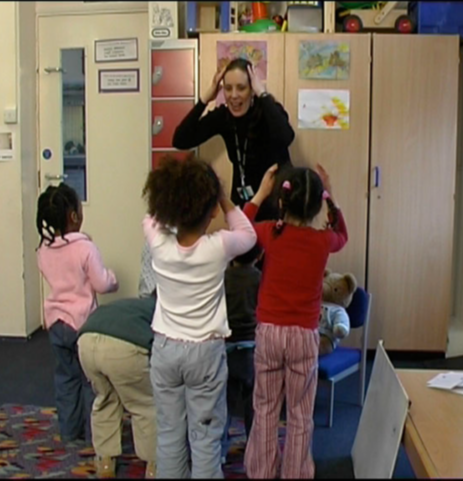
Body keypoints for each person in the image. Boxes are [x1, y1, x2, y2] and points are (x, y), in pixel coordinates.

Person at [141, 154, 257, 478]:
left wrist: (174, 206)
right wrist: (222, 195)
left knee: (169, 434)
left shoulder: (159, 244)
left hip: (165, 348)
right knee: (205, 439)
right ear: (211, 212)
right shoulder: (217, 246)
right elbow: (249, 235)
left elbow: (150, 219)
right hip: (205, 352)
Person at [242, 163, 348, 479]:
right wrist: (333, 196)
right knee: (301, 414)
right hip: (304, 337)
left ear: (281, 201)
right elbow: (342, 234)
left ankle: (261, 472)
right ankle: (296, 473)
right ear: (318, 204)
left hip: (270, 334)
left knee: (265, 409)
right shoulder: (322, 241)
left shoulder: (269, 235)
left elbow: (241, 227)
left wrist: (260, 193)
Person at [36, 182, 119, 444]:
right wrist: (113, 278)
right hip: (82, 325)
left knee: (65, 379)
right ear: (74, 216)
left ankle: (70, 432)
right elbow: (102, 284)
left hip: (56, 324)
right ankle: (96, 435)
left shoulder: (43, 251)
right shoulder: (85, 248)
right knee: (91, 382)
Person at [172, 58, 295, 222]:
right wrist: (205, 98)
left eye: (242, 88)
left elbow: (286, 137)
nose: (234, 95)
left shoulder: (268, 111)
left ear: (252, 89)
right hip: (243, 206)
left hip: (276, 205)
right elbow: (181, 140)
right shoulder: (223, 116)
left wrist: (263, 94)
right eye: (228, 89)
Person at [77, 296, 158, 479]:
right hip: (123, 348)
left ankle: (105, 462)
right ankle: (155, 465)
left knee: (105, 398)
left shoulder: (132, 304)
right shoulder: (162, 310)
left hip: (86, 342)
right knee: (145, 404)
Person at [220, 243, 263, 464]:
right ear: (259, 255)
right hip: (252, 348)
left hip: (227, 347)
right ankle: (254, 450)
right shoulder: (259, 278)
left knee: (224, 404)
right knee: (253, 404)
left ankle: (219, 453)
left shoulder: (223, 277)